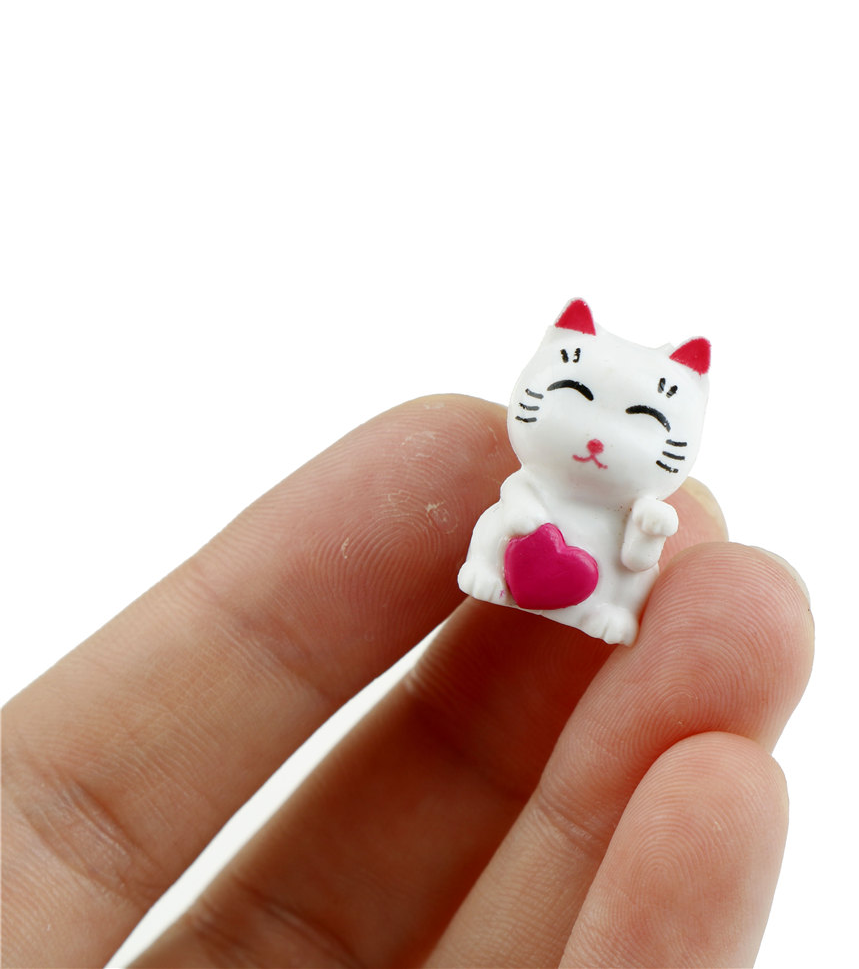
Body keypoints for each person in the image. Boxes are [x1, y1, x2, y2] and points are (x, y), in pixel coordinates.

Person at [1, 395, 813, 968]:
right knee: (512, 533)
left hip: (595, 590)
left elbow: (637, 559)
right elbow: (510, 517)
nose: (600, 438)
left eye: (640, 420)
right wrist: (514, 543)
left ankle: (597, 607)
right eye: (576, 399)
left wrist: (647, 532)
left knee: (627, 597)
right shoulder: (529, 484)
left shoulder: (636, 505)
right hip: (523, 564)